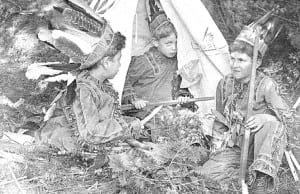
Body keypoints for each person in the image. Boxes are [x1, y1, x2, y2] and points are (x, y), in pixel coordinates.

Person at [37, 0, 143, 154]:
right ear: (106, 62)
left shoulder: (103, 85)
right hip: (66, 140)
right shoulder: (84, 90)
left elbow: (110, 121)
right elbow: (90, 134)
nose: (120, 65)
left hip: (87, 141)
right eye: (118, 60)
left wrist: (134, 142)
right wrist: (127, 126)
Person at [201, 12, 289, 194]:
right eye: (232, 59)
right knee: (205, 175)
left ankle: (261, 179)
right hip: (235, 148)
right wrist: (216, 148)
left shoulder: (266, 85)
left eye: (241, 60)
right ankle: (246, 174)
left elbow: (288, 118)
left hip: (260, 147)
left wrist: (267, 117)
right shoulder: (224, 84)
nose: (234, 65)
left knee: (274, 125)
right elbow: (220, 120)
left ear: (256, 63)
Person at [122, 8, 195, 120]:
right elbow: (125, 82)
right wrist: (134, 100)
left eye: (176, 43)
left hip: (168, 114)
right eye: (168, 43)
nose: (174, 48)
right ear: (155, 42)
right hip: (144, 115)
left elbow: (181, 84)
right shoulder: (143, 61)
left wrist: (182, 96)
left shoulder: (179, 60)